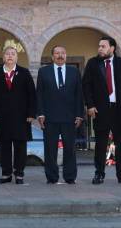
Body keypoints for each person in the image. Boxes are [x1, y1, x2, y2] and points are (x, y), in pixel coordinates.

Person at [82, 36, 121, 185]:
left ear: (112, 48)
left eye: (103, 46)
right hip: (100, 111)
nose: (100, 49)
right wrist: (90, 105)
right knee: (100, 144)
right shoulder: (93, 63)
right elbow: (86, 86)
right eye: (99, 46)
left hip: (120, 110)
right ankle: (99, 174)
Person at [0, 45, 36, 184]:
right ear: (3, 57)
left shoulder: (24, 73)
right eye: (7, 54)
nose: (10, 56)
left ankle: (19, 174)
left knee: (20, 147)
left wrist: (31, 113)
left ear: (16, 57)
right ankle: (6, 174)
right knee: (4, 146)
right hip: (2, 117)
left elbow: (32, 94)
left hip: (22, 117)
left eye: (13, 54)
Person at [36, 45, 84, 184]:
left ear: (66, 55)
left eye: (63, 53)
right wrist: (40, 114)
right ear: (52, 57)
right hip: (49, 117)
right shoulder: (43, 71)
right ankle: (52, 177)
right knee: (50, 149)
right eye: (57, 53)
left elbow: (79, 94)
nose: (60, 55)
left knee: (70, 148)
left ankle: (70, 176)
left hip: (70, 117)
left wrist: (79, 114)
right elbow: (39, 94)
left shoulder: (74, 71)